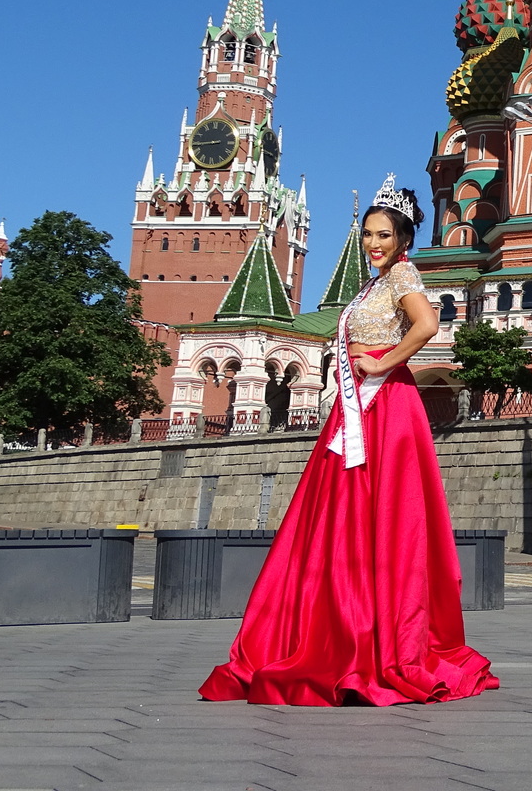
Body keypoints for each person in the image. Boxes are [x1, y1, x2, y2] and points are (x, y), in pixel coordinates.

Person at [200, 176, 498, 707]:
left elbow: (426, 324)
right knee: (344, 513)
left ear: (402, 238)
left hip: (385, 406)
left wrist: (382, 361)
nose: (374, 243)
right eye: (368, 234)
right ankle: (339, 621)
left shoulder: (402, 273)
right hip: (358, 406)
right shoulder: (372, 285)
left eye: (384, 234)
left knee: (379, 511)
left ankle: (371, 636)